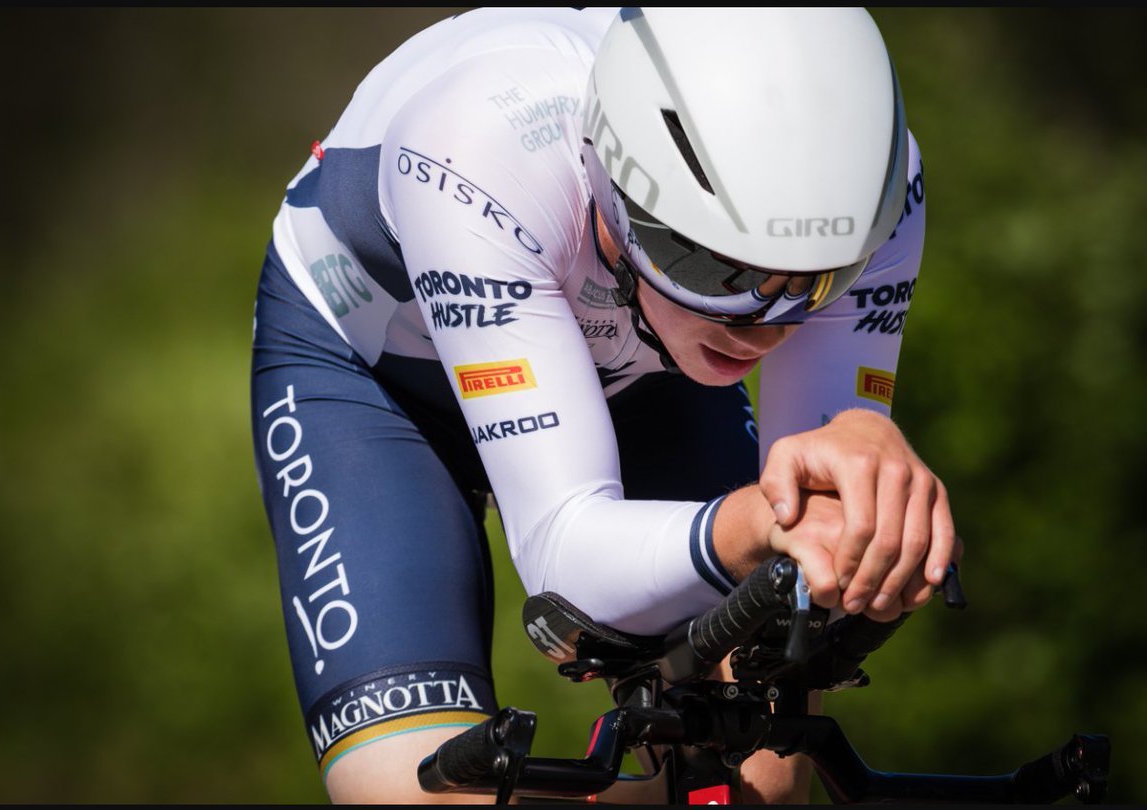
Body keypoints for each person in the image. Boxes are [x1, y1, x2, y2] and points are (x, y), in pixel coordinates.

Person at [250, 7, 957, 803]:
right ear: (611, 177)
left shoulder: (880, 184)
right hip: (378, 372)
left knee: (760, 774)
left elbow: (807, 525)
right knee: (411, 797)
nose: (763, 325)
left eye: (818, 279)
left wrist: (859, 449)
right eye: (713, 265)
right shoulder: (477, 142)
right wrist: (765, 523)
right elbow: (566, 559)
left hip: (641, 358)